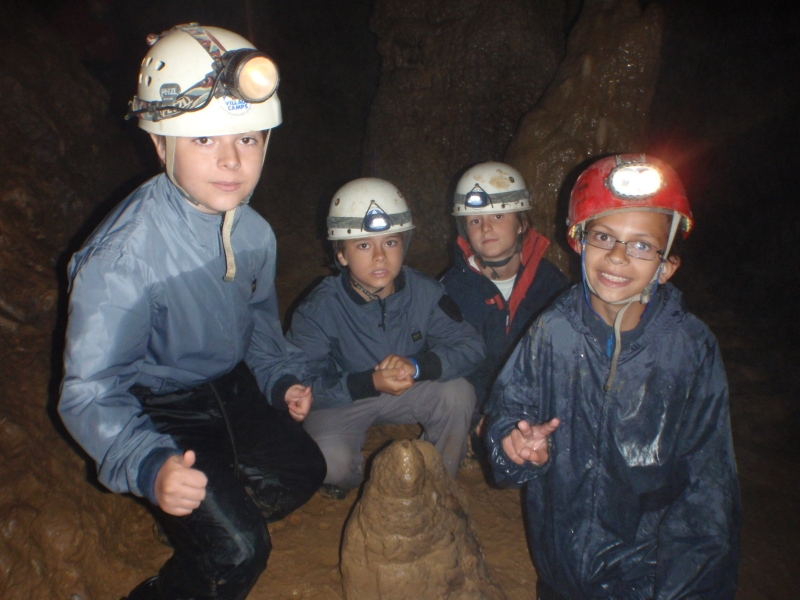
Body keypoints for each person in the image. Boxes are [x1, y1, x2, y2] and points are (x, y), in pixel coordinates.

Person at [58, 24, 326, 600]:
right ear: (160, 143)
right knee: (240, 551)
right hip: (159, 408)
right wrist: (150, 464)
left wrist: (280, 380)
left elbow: (259, 325)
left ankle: (205, 519)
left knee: (305, 472)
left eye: (249, 138)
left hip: (229, 389)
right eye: (204, 139)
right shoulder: (123, 260)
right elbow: (90, 392)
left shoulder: (253, 232)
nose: (231, 159)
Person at [485, 155, 741, 599]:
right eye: (603, 236)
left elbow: (707, 489)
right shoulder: (553, 331)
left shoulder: (688, 350)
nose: (619, 256)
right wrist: (513, 444)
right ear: (579, 242)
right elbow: (508, 409)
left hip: (643, 581)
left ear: (667, 266)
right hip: (558, 570)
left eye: (642, 245)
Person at [286, 177, 484, 499]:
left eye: (390, 242)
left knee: (458, 393)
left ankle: (437, 481)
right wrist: (368, 383)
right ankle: (357, 477)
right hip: (346, 397)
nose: (380, 256)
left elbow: (472, 347)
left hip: (409, 390)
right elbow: (300, 384)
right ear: (341, 255)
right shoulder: (318, 309)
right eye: (363, 245)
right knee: (328, 464)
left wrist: (419, 366)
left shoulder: (425, 292)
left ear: (403, 246)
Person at [441, 161, 568, 436]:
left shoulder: (552, 286)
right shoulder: (450, 290)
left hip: (534, 412)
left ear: (522, 223)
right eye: (475, 221)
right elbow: (447, 365)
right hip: (476, 411)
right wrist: (479, 418)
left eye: (498, 216)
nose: (486, 228)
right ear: (465, 231)